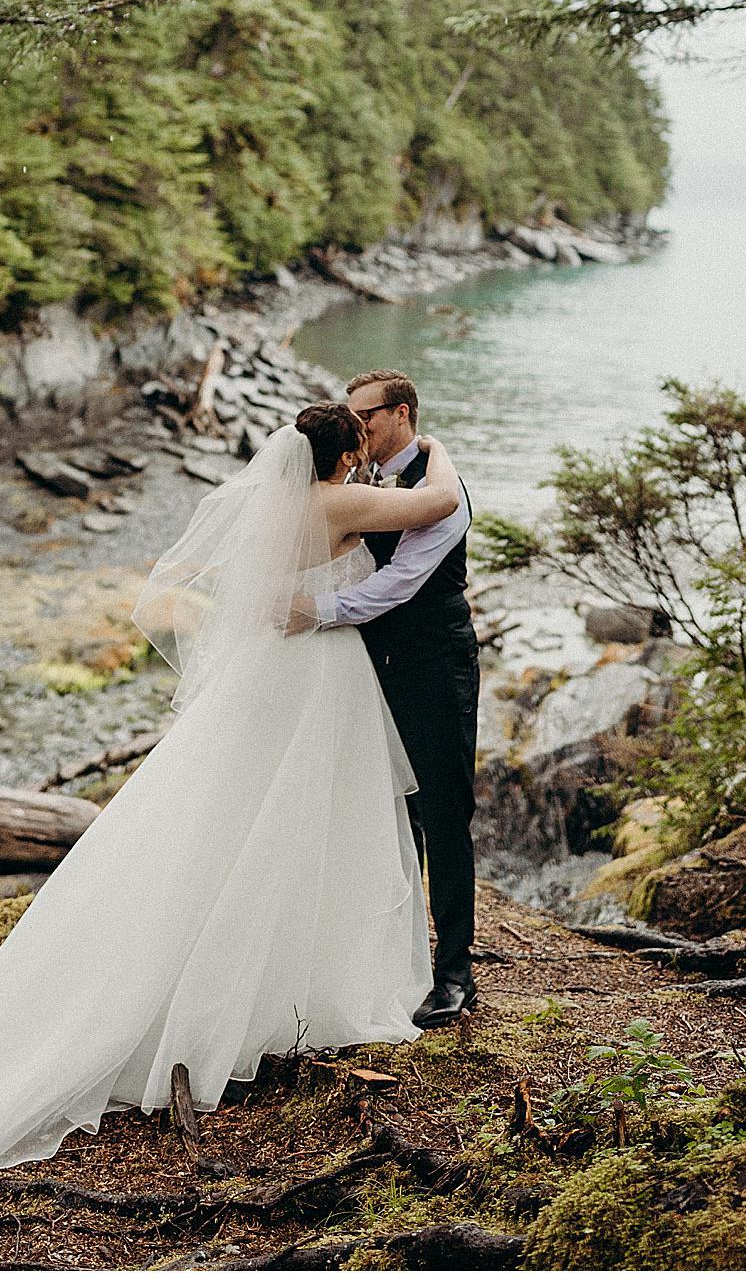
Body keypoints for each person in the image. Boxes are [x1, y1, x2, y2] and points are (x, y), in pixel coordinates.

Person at [0, 405, 466, 1182]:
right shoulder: (338, 504)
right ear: (345, 456)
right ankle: (288, 982)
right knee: (309, 824)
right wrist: (437, 451)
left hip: (265, 673)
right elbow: (436, 505)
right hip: (315, 679)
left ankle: (249, 970)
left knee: (240, 821)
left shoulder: (273, 506)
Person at [284, 368, 478, 1029]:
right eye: (351, 416)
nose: (356, 427)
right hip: (371, 669)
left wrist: (316, 609)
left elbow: (399, 584)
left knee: (444, 813)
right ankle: (396, 963)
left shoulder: (441, 493)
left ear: (400, 414)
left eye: (366, 415)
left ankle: (455, 973)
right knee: (389, 813)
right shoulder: (357, 482)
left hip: (434, 664)